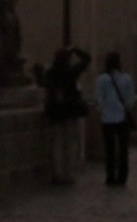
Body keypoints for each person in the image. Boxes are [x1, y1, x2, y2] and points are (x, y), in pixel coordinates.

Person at [42, 46, 91, 185]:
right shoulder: (71, 72)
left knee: (57, 143)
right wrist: (76, 50)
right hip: (69, 110)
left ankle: (57, 174)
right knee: (69, 143)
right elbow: (87, 59)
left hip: (55, 111)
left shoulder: (50, 72)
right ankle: (67, 174)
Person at [94, 51, 137, 187]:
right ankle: (122, 177)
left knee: (110, 149)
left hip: (107, 119)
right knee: (123, 149)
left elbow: (98, 98)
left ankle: (110, 176)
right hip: (122, 118)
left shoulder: (102, 79)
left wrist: (102, 109)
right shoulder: (126, 78)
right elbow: (130, 100)